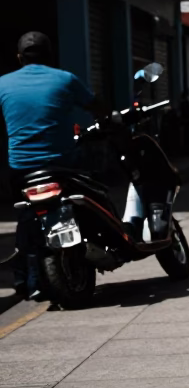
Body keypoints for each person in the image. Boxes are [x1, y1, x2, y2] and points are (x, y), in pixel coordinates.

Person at [0, 32, 109, 296]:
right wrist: (108, 119)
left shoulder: (3, 83)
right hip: (62, 162)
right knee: (94, 190)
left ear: (19, 57)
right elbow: (96, 106)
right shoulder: (65, 79)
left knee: (27, 214)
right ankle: (102, 241)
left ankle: (25, 280)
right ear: (50, 56)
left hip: (21, 167)